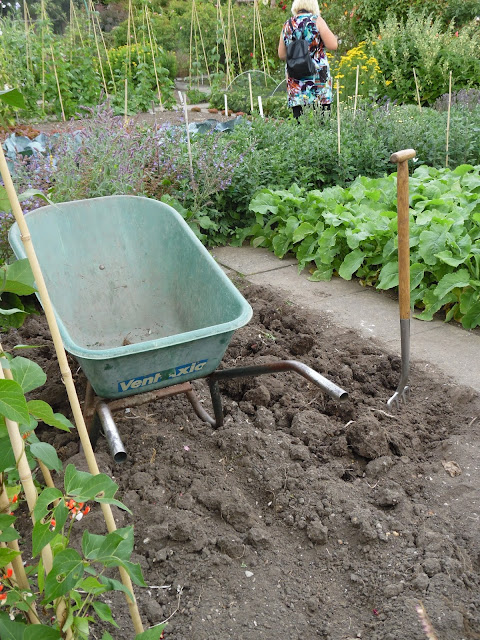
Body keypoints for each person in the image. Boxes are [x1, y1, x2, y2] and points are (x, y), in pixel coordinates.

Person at [278, 0, 338, 120]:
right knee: (322, 121)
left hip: (296, 81)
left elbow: (281, 54)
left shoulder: (288, 24)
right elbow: (333, 45)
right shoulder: (317, 21)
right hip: (317, 79)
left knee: (300, 122)